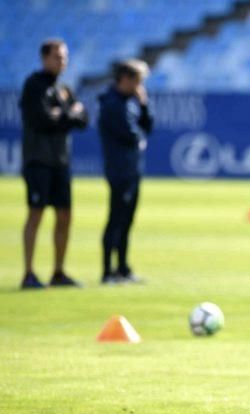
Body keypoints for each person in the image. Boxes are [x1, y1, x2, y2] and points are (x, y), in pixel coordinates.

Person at [19, 38, 88, 289]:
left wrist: (65, 115)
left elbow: (83, 119)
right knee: (35, 214)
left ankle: (58, 272)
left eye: (65, 56)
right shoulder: (34, 85)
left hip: (61, 161)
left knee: (65, 215)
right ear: (45, 58)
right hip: (38, 159)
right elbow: (43, 120)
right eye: (58, 56)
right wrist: (69, 114)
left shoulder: (65, 88)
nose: (63, 61)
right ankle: (28, 273)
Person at [97, 59, 153, 284]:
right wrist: (138, 138)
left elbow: (147, 128)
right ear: (125, 79)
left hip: (132, 169)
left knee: (127, 220)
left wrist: (144, 105)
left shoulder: (130, 102)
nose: (139, 87)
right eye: (137, 81)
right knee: (116, 219)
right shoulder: (112, 104)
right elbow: (131, 134)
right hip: (119, 170)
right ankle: (107, 271)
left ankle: (122, 268)